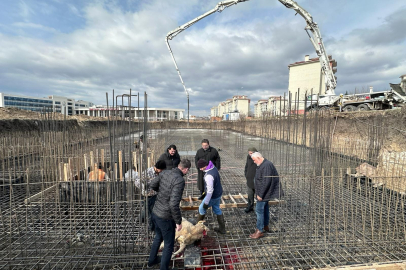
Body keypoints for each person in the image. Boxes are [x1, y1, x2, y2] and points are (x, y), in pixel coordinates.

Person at [147, 159, 191, 269]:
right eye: (187, 171)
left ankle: (151, 261)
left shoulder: (165, 172)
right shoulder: (179, 180)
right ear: (185, 169)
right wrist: (178, 222)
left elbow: (152, 184)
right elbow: (173, 204)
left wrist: (162, 192)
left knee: (158, 237)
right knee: (168, 244)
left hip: (156, 212)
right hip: (165, 217)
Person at [249, 152, 284, 239]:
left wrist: (260, 194)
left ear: (259, 158)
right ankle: (265, 226)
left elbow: (266, 182)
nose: (254, 162)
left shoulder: (266, 165)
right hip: (264, 192)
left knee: (259, 210)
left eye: (254, 160)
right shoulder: (264, 164)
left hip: (264, 193)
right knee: (265, 209)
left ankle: (259, 231)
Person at [196, 159, 225, 234]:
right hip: (218, 193)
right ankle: (222, 229)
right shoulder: (213, 167)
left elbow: (210, 191)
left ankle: (197, 229)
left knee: (201, 209)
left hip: (213, 196)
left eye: (201, 168)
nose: (200, 169)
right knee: (217, 209)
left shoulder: (208, 176)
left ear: (205, 166)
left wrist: (206, 202)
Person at [244, 147, 258, 213]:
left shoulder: (258, 158)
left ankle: (258, 208)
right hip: (249, 179)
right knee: (250, 194)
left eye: (251, 153)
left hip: (256, 180)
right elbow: (247, 166)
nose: (250, 154)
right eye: (249, 153)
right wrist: (246, 174)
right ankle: (250, 206)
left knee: (258, 195)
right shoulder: (248, 157)